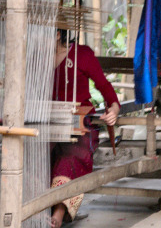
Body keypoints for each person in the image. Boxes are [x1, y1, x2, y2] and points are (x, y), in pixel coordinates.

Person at [50, 30, 120, 228]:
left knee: (71, 157)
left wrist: (113, 109)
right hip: (46, 122)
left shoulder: (82, 54)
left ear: (57, 34)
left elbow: (105, 87)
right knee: (37, 156)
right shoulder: (36, 56)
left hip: (79, 124)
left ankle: (58, 212)